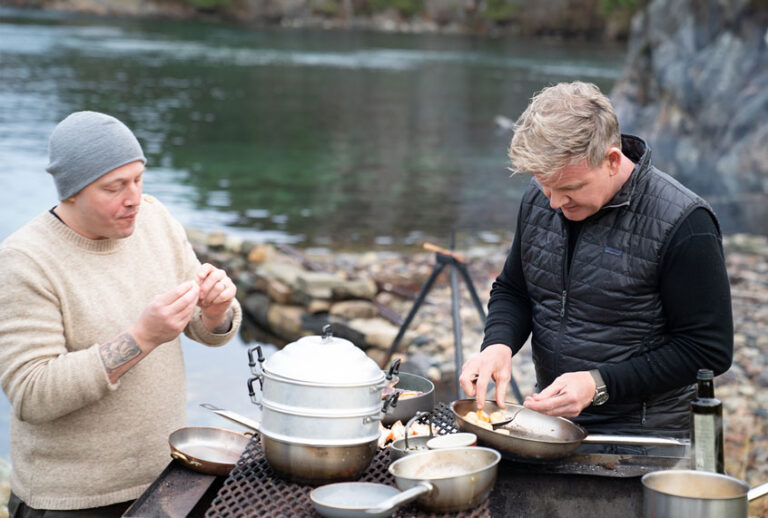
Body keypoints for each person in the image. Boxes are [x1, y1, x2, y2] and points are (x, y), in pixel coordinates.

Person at [0, 111, 243, 516]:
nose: (133, 198)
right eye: (115, 187)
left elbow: (205, 327)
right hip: (72, 500)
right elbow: (31, 393)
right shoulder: (24, 260)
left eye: (138, 179)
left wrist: (217, 312)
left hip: (166, 478)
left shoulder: (154, 219)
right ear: (71, 192)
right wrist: (142, 338)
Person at [459, 82, 733, 438]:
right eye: (546, 186)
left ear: (612, 160)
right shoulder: (543, 197)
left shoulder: (685, 223)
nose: (555, 203)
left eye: (570, 190)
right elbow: (515, 289)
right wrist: (498, 344)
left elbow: (707, 349)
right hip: (556, 426)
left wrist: (598, 383)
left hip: (647, 440)